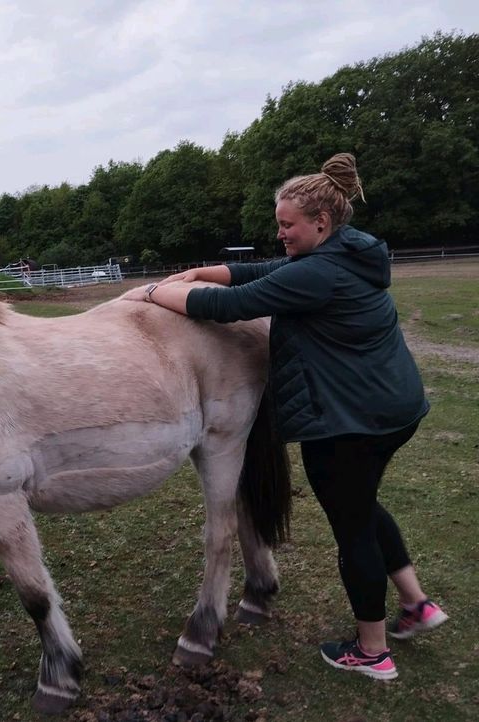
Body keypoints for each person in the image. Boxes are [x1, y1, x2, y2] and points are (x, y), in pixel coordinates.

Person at [142, 152, 447, 681]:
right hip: (393, 406)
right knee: (363, 506)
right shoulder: (348, 251)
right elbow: (266, 270)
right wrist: (202, 271)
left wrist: (154, 292)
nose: (280, 233)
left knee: (352, 528)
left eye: (287, 225)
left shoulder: (320, 275)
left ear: (320, 224)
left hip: (352, 421)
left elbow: (229, 305)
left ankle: (372, 652)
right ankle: (416, 603)